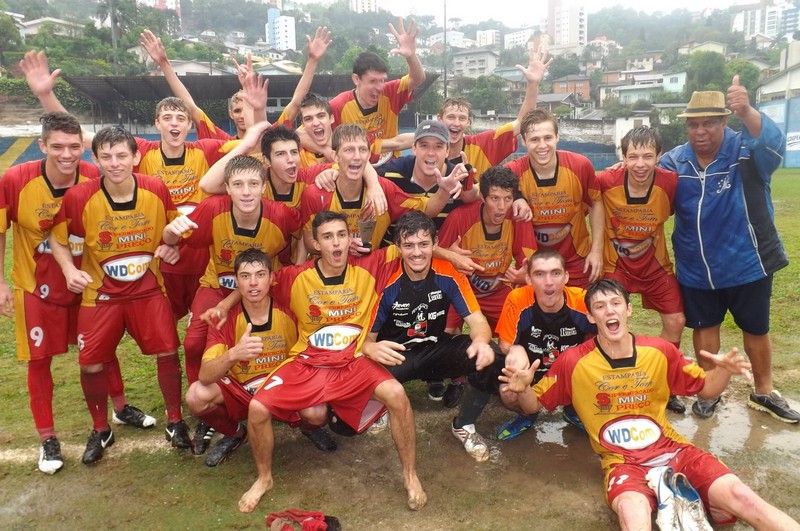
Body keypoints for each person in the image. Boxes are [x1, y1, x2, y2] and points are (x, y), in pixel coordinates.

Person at [500, 279, 800, 530]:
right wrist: (523, 389)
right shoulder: (573, 362)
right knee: (633, 517)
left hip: (674, 450)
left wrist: (723, 370)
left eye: (616, 303)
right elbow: (534, 406)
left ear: (628, 309)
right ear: (590, 317)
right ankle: (696, 502)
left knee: (744, 498)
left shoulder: (659, 351)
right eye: (600, 307)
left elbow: (707, 390)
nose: (609, 311)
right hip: (622, 463)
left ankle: (706, 499)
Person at [19, 49, 256, 319]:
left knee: (205, 323)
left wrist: (251, 101)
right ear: (157, 123)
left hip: (202, 255)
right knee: (164, 323)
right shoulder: (141, 151)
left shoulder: (206, 149)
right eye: (167, 117)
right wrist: (46, 95)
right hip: (161, 254)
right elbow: (81, 134)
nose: (174, 123)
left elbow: (253, 140)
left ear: (189, 124)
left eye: (180, 118)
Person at [239, 211, 427, 513]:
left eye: (341, 235)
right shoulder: (294, 277)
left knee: (397, 394)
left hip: (355, 360)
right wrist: (223, 306)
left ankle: (410, 475)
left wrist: (452, 256)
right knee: (257, 408)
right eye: (328, 237)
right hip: (309, 362)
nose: (336, 243)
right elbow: (255, 284)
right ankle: (264, 478)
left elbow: (415, 248)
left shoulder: (370, 265)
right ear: (316, 243)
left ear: (350, 238)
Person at [0, 113, 151, 474]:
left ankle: (120, 407)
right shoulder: (15, 180)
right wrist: (0, 283)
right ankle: (47, 437)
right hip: (36, 288)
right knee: (39, 361)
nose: (66, 154)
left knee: (101, 350)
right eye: (57, 146)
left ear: (82, 147)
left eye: (73, 146)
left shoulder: (94, 176)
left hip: (87, 285)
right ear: (42, 145)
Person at [659, 78, 799, 423]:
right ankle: (710, 390)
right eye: (693, 124)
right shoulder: (675, 161)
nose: (700, 131)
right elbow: (644, 178)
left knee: (756, 329)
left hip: (747, 262)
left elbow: (773, 144)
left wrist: (747, 110)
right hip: (696, 267)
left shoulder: (746, 152)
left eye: (709, 123)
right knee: (705, 330)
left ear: (724, 121)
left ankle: (763, 390)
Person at [48, 126, 188, 464]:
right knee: (91, 364)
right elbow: (58, 239)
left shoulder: (156, 189)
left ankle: (175, 421)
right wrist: (68, 270)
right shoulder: (79, 197)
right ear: (95, 160)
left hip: (148, 290)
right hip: (100, 295)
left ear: (136, 157)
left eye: (122, 155)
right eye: (106, 156)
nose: (115, 163)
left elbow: (174, 234)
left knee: (168, 351)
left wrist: (173, 247)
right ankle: (100, 429)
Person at [162, 154, 304, 454]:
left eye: (253, 184)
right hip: (217, 285)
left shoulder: (280, 214)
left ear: (263, 187)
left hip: (262, 286)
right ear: (227, 188)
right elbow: (173, 238)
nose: (246, 192)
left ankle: (283, 398)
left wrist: (298, 265)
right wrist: (169, 234)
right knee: (193, 343)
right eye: (238, 185)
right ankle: (210, 412)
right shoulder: (212, 209)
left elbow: (302, 231)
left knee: (285, 335)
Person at [362, 211, 496, 439]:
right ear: (398, 247)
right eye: (409, 245)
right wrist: (370, 348)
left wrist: (481, 342)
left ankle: (464, 424)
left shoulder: (450, 273)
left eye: (423, 244)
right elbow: (368, 339)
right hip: (397, 356)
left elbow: (477, 321)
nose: (417, 253)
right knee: (345, 418)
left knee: (491, 353)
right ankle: (383, 403)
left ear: (435, 244)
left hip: (434, 349)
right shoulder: (386, 281)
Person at [452, 250, 594, 455]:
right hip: (531, 373)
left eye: (555, 273)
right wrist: (516, 351)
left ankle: (573, 410)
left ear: (566, 277)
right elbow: (505, 344)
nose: (548, 282)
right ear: (528, 278)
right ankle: (527, 415)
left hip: (569, 373)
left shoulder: (583, 301)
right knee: (508, 389)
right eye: (539, 274)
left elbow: (604, 337)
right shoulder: (518, 298)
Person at [593, 126, 687, 414]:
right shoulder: (605, 180)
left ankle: (664, 381)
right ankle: (616, 381)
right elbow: (583, 196)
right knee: (610, 321)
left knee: (676, 321)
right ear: (623, 157)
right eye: (633, 157)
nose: (640, 164)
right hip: (616, 264)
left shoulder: (670, 182)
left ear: (659, 156)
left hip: (654, 265)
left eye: (648, 156)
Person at [185, 248, 297, 466]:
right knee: (196, 396)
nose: (253, 283)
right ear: (236, 282)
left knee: (316, 413)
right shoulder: (224, 319)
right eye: (245, 276)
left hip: (283, 388)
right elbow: (205, 376)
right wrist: (234, 354)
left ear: (271, 278)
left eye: (260, 275)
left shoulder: (291, 308)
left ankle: (307, 426)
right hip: (243, 389)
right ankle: (235, 432)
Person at [139, 27, 331, 140]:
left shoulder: (271, 137)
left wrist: (312, 60)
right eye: (238, 110)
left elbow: (296, 102)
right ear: (230, 114)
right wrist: (164, 63)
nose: (243, 115)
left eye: (248, 107)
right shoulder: (221, 142)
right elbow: (189, 105)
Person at [299, 124, 462, 254]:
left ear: (369, 155)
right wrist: (341, 245)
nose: (357, 156)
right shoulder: (315, 194)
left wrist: (444, 190)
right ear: (335, 156)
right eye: (349, 150)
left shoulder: (384, 189)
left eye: (362, 150)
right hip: (328, 276)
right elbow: (309, 243)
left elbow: (427, 209)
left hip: (371, 273)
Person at [506, 109, 604, 288]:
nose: (542, 145)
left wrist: (596, 251)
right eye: (535, 139)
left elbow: (595, 203)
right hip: (534, 263)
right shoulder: (512, 172)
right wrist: (516, 197)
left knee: (582, 306)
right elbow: (486, 192)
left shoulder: (580, 165)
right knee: (535, 307)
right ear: (524, 141)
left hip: (576, 259)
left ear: (557, 137)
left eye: (548, 138)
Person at [438, 166, 536, 332]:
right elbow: (435, 256)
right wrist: (449, 256)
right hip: (461, 289)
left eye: (508, 198)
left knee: (523, 328)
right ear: (482, 197)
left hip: (498, 291)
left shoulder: (518, 218)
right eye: (495, 198)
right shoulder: (459, 217)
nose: (501, 206)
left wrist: (524, 275)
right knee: (446, 333)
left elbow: (530, 263)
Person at [441, 45, 551, 181]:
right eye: (451, 117)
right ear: (440, 120)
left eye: (462, 118)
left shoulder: (483, 144)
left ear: (468, 122)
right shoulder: (427, 148)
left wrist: (533, 83)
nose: (456, 123)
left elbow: (521, 123)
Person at [329, 18, 425, 161]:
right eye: (373, 81)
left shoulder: (390, 92)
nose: (380, 87)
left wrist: (411, 56)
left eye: (382, 80)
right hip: (356, 166)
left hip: (391, 164)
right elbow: (305, 134)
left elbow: (418, 78)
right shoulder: (338, 105)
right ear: (356, 79)